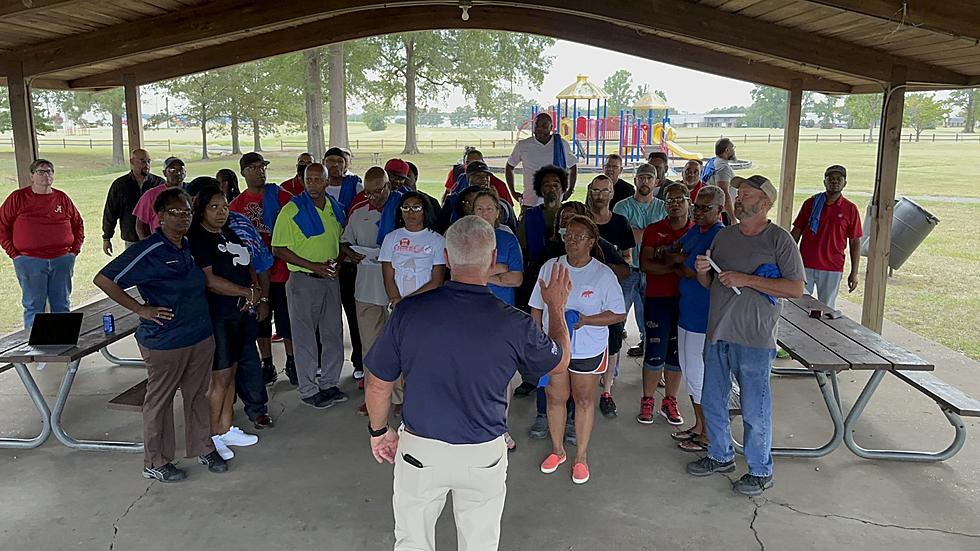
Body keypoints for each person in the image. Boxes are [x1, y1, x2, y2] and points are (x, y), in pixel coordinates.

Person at [364, 215, 571, 551]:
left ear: (446, 257)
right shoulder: (514, 323)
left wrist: (378, 431)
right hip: (483, 453)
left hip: (421, 450)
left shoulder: (408, 312)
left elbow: (377, 383)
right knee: (479, 542)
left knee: (412, 541)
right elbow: (559, 362)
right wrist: (557, 308)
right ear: (492, 260)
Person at [94, 187, 227, 481]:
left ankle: (203, 447)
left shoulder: (188, 245)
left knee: (197, 395)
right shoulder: (148, 250)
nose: (182, 219)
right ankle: (156, 461)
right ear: (160, 217)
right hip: (165, 341)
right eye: (175, 213)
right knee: (160, 401)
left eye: (187, 213)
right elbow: (104, 279)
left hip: (199, 335)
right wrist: (141, 309)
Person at [687, 175, 805, 497]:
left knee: (755, 408)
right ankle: (721, 455)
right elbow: (711, 284)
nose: (739, 199)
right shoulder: (725, 237)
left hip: (754, 337)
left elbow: (795, 288)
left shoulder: (779, 240)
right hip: (718, 332)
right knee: (712, 399)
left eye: (747, 195)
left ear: (765, 203)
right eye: (738, 194)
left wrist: (747, 279)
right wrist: (702, 272)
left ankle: (760, 469)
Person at [530, 214, 626, 485]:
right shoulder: (550, 267)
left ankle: (581, 456)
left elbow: (617, 313)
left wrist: (586, 321)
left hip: (588, 350)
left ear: (591, 242)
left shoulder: (603, 274)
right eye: (567, 235)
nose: (571, 241)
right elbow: (536, 306)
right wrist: (538, 338)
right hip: (554, 348)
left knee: (583, 400)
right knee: (555, 398)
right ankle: (557, 450)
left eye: (578, 237)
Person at [188, 185, 267, 460]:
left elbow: (248, 264)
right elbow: (209, 281)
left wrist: (255, 291)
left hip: (240, 313)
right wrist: (246, 292)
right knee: (219, 377)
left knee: (232, 371)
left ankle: (224, 428)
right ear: (200, 209)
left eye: (224, 206)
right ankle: (211, 436)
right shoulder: (198, 238)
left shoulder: (228, 231)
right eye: (214, 207)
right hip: (217, 315)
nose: (221, 212)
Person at [271, 163, 348, 410]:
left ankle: (329, 383)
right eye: (309, 179)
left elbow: (339, 241)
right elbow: (279, 248)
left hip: (330, 279)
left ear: (327, 182)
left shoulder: (335, 208)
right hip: (303, 281)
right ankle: (308, 389)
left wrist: (338, 261)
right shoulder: (291, 209)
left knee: (333, 334)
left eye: (318, 180)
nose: (313, 184)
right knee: (305, 338)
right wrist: (313, 266)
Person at [229, 152, 297, 386]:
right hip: (254, 273)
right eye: (254, 168)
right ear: (243, 173)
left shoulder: (281, 197)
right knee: (260, 320)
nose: (260, 172)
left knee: (287, 319)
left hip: (282, 269)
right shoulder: (237, 205)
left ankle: (291, 361)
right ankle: (267, 363)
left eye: (262, 167)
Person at [672, 185, 726, 453]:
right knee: (689, 371)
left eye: (706, 208)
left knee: (699, 376)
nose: (699, 212)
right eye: (696, 207)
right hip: (687, 311)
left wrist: (678, 262)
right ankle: (698, 425)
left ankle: (708, 434)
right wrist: (678, 261)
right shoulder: (696, 230)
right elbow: (677, 253)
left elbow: (689, 268)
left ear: (720, 210)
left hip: (704, 318)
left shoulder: (719, 236)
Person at [1, 159, 85, 328]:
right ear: (32, 176)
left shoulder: (61, 198)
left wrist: (73, 251)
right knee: (34, 305)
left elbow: (78, 224)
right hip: (30, 260)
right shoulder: (18, 197)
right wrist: (14, 254)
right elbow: (2, 225)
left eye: (49, 172)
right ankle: (34, 349)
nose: (46, 175)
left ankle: (62, 344)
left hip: (62, 259)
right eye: (41, 172)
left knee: (61, 303)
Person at [638, 183, 694, 427]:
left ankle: (670, 400)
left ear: (688, 202)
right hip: (658, 298)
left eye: (679, 199)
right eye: (669, 200)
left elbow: (692, 269)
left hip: (686, 300)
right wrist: (675, 264)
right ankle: (648, 400)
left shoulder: (696, 231)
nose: (673, 204)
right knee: (654, 350)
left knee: (677, 354)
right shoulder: (654, 230)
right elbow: (646, 265)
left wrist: (667, 259)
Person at [342, 167, 396, 414]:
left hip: (398, 290)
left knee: (400, 346)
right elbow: (344, 242)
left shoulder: (401, 211)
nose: (374, 198)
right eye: (369, 193)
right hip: (367, 289)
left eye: (379, 191)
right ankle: (374, 397)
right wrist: (349, 254)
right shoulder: (358, 212)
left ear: (389, 186)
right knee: (371, 348)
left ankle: (400, 398)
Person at [513, 165, 568, 397]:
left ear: (563, 188)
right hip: (534, 278)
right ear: (539, 189)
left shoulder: (570, 214)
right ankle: (530, 377)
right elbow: (522, 249)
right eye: (546, 184)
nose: (551, 188)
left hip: (563, 279)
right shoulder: (531, 216)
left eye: (556, 184)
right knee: (531, 329)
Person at [586, 174, 635, 418]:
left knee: (613, 338)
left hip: (612, 290)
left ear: (612, 194)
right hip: (584, 295)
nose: (600, 195)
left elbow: (627, 260)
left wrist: (606, 269)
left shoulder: (620, 222)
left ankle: (607, 391)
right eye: (595, 190)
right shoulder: (581, 221)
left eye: (605, 191)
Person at [613, 163, 667, 360]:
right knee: (617, 320)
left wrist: (637, 233)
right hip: (628, 270)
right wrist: (653, 234)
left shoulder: (663, 207)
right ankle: (611, 372)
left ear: (656, 181)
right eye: (641, 177)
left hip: (655, 272)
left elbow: (667, 239)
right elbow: (622, 238)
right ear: (635, 180)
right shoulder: (622, 206)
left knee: (652, 321)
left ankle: (652, 364)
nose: (645, 181)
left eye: (649, 178)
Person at [791, 165, 862, 309]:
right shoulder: (811, 203)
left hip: (832, 267)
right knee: (798, 304)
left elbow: (855, 242)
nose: (834, 182)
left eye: (838, 179)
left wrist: (854, 272)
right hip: (805, 264)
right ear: (824, 182)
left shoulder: (850, 209)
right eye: (830, 179)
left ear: (845, 183)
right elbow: (796, 232)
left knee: (826, 307)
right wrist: (789, 260)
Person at [324, 147, 365, 378]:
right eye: (330, 161)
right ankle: (327, 363)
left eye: (339, 161)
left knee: (353, 313)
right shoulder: (317, 188)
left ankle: (358, 360)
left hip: (348, 261)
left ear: (346, 165)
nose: (335, 165)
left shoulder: (355, 187)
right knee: (326, 317)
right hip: (324, 261)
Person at [380, 192, 446, 312]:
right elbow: (388, 277)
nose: (410, 212)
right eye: (406, 207)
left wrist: (406, 302)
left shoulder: (437, 240)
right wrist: (396, 300)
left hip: (426, 305)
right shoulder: (391, 238)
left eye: (416, 207)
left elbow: (437, 281)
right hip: (397, 306)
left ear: (424, 211)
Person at [506, 113, 578, 206]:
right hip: (530, 202)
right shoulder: (523, 145)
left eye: (544, 126)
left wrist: (570, 190)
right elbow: (509, 167)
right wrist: (512, 192)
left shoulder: (561, 144)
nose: (540, 129)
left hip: (554, 202)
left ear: (551, 127)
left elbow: (573, 166)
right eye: (537, 125)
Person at [102, 149, 164, 255]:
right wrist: (107, 238)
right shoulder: (120, 185)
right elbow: (110, 212)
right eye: (142, 161)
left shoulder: (159, 183)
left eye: (149, 161)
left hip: (156, 238)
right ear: (132, 162)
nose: (147, 165)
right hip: (131, 239)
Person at [467, 190, 523, 306]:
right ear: (473, 213)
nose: (484, 213)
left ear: (497, 213)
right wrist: (501, 269)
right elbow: (462, 274)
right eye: (479, 209)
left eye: (489, 209)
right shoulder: (464, 239)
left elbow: (517, 279)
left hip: (503, 306)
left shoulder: (509, 240)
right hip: (472, 304)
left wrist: (480, 275)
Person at [439, 160, 517, 232]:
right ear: (468, 178)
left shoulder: (503, 204)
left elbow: (512, 228)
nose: (484, 179)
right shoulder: (453, 200)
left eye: (486, 176)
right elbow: (442, 228)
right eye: (477, 175)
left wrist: (496, 202)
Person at [133, 156, 185, 239]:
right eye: (172, 170)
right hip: (161, 244)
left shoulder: (192, 190)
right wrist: (147, 245)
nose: (178, 173)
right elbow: (140, 226)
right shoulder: (151, 194)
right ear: (164, 173)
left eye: (180, 169)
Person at [444, 148, 514, 206]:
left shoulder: (499, 185)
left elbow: (508, 210)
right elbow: (449, 197)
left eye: (477, 162)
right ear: (464, 164)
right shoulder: (460, 178)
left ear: (483, 162)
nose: (473, 165)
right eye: (468, 163)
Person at [700, 138, 737, 220]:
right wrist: (733, 218)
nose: (734, 150)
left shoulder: (713, 162)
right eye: (732, 147)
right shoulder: (723, 168)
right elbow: (723, 193)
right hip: (723, 213)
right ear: (727, 150)